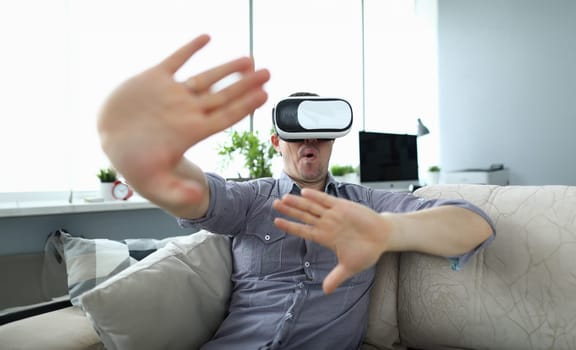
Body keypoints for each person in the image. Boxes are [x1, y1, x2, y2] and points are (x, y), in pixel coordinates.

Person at [97, 34, 495, 350]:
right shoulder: (252, 199)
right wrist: (150, 162)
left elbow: (473, 225)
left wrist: (388, 230)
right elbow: (197, 195)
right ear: (276, 141)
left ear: (334, 141)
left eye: (322, 134)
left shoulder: (367, 205)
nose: (310, 142)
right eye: (297, 133)